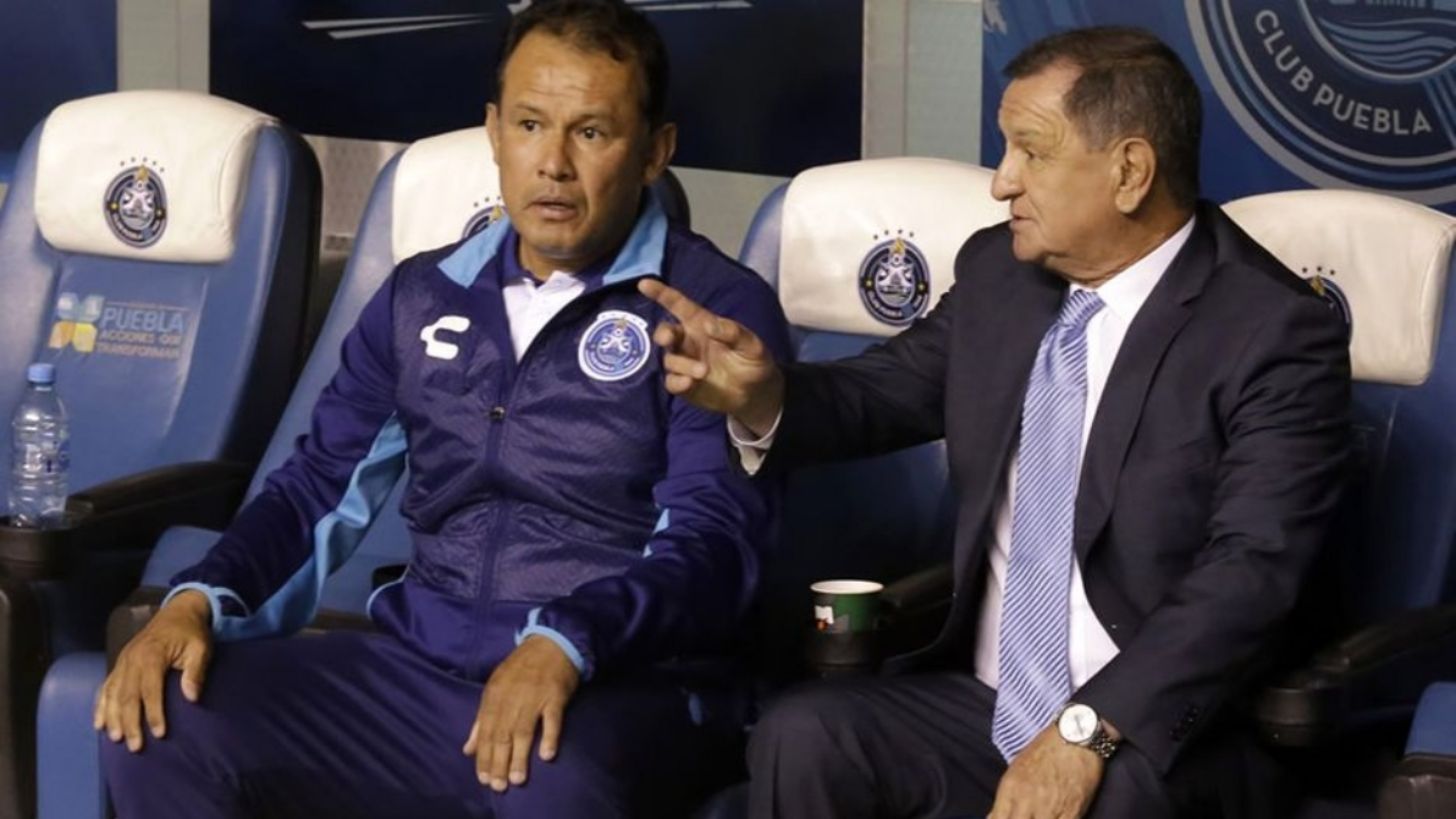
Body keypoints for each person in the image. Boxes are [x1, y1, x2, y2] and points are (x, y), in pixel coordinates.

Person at [95, 1, 790, 816]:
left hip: (622, 683)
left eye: (592, 132)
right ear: (494, 132)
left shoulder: (711, 310)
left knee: (544, 774)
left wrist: (569, 640)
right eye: (529, 125)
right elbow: (315, 489)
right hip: (418, 670)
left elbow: (715, 543)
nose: (553, 164)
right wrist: (196, 598)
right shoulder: (422, 295)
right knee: (158, 720)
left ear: (654, 151)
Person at [642, 26, 1350, 819]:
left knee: (1108, 800)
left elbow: (1251, 572)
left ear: (1130, 172)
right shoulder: (1001, 275)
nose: (1002, 182)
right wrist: (762, 393)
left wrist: (1086, 730)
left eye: (1031, 153)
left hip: (1162, 728)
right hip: (987, 704)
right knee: (806, 734)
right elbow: (883, 394)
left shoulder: (1272, 331)